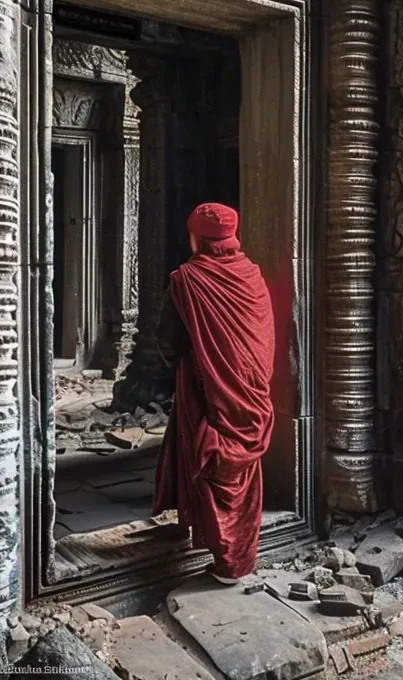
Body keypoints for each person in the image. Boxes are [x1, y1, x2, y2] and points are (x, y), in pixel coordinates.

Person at [152, 202, 275, 583]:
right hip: (251, 389)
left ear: (195, 237)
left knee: (212, 456)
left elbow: (167, 340)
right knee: (241, 464)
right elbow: (263, 337)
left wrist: (194, 362)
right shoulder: (252, 276)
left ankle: (227, 560)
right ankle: (238, 555)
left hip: (207, 385)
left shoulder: (187, 279)